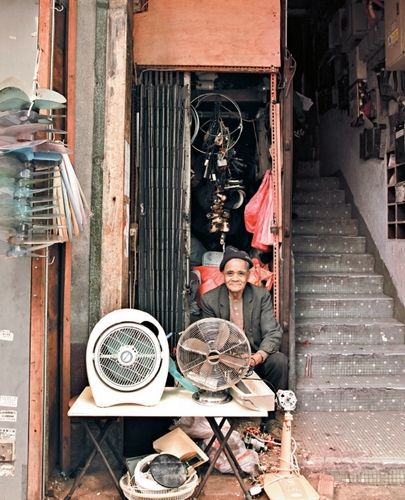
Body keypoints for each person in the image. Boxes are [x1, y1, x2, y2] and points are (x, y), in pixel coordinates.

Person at [200, 246, 288, 437]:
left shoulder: (260, 296)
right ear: (222, 274)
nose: (235, 278)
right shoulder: (210, 300)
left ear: (248, 275)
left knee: (279, 360)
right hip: (225, 362)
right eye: (230, 273)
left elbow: (272, 332)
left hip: (254, 359)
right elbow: (208, 338)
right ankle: (225, 419)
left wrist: (257, 358)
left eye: (241, 273)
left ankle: (270, 419)